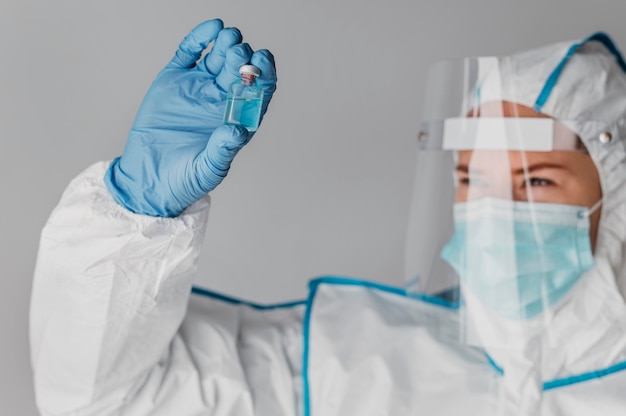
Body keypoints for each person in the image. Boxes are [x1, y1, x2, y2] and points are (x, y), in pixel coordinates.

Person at [29, 17, 626, 415]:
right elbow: (106, 403)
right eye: (472, 180)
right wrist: (136, 210)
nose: (494, 216)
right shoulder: (359, 362)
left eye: (537, 180)